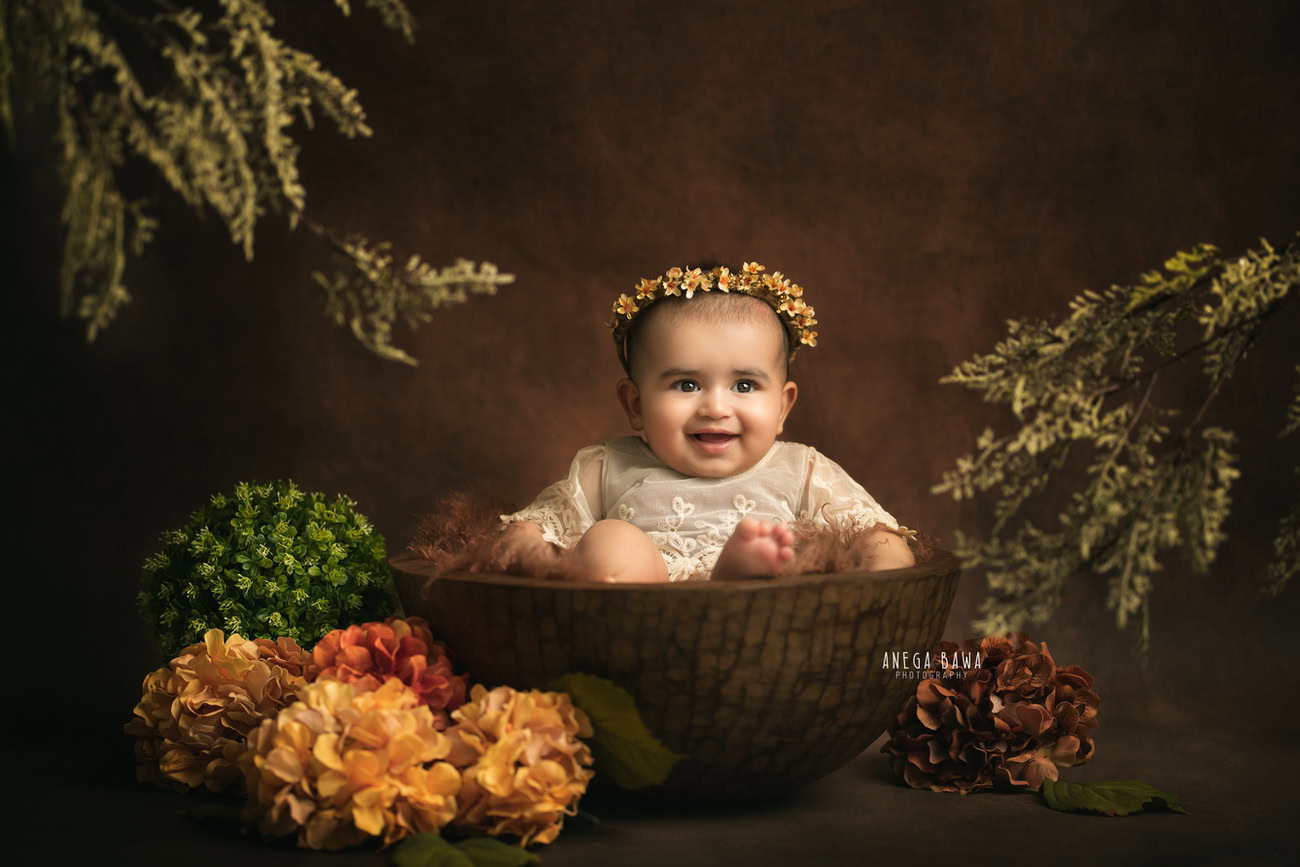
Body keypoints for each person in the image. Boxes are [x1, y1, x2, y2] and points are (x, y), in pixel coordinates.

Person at [499, 262, 917, 583]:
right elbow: (532, 531)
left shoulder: (802, 470)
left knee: (798, 563)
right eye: (685, 385)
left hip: (768, 625)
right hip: (637, 617)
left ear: (783, 408)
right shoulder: (606, 466)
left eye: (745, 385)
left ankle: (737, 580)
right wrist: (522, 553)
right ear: (636, 404)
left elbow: (876, 536)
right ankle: (695, 587)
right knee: (610, 540)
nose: (716, 407)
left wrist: (884, 579)